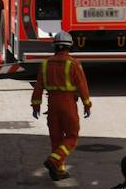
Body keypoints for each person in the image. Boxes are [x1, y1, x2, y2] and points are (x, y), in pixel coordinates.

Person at [31, 29, 92, 181]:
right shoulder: (74, 64)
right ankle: (53, 161)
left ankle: (58, 170)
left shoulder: (45, 65)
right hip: (68, 103)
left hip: (52, 104)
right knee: (72, 135)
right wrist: (87, 104)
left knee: (56, 138)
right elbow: (82, 86)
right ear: (69, 46)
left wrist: (36, 105)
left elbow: (38, 86)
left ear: (55, 46)